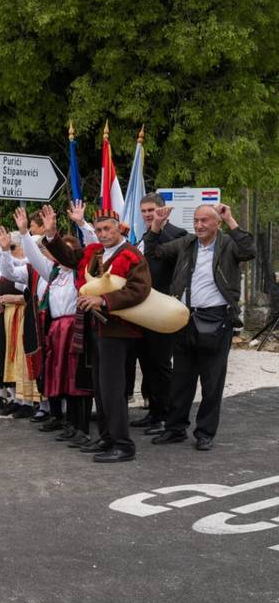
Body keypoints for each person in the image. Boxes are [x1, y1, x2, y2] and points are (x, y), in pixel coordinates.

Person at [42, 205, 152, 463]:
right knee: (100, 389)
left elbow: (140, 290)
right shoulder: (94, 252)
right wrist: (51, 234)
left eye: (107, 229)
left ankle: (123, 444)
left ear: (119, 229)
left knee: (113, 389)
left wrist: (103, 300)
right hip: (95, 328)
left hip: (118, 330)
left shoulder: (132, 255)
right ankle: (107, 437)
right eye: (99, 229)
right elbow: (68, 257)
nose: (103, 234)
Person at [147, 203, 256, 450]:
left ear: (217, 222)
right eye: (196, 220)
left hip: (216, 319)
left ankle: (205, 432)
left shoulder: (228, 244)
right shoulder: (187, 243)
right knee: (181, 379)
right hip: (184, 317)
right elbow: (153, 253)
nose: (199, 225)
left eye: (204, 220)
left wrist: (231, 220)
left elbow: (249, 250)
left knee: (212, 381)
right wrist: (156, 225)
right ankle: (175, 428)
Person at [10, 210, 93, 440]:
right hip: (57, 330)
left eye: (68, 251)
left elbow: (93, 246)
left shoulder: (82, 272)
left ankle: (80, 427)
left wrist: (81, 223)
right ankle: (68, 423)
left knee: (76, 379)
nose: (62, 255)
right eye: (60, 251)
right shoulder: (53, 272)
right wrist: (24, 233)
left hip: (75, 329)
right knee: (59, 376)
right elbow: (35, 257)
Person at [127, 193, 188, 435]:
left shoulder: (177, 234)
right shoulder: (143, 237)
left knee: (161, 364)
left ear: (163, 209)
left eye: (151, 210)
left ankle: (166, 416)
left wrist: (159, 229)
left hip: (162, 307)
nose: (147, 215)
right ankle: (154, 412)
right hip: (142, 308)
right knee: (147, 363)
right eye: (143, 211)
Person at [0, 231, 42, 418]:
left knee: (23, 357)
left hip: (24, 315)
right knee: (11, 357)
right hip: (8, 315)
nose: (10, 251)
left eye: (12, 247)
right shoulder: (7, 266)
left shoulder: (31, 266)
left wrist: (12, 298)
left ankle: (30, 401)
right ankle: (18, 399)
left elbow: (31, 294)